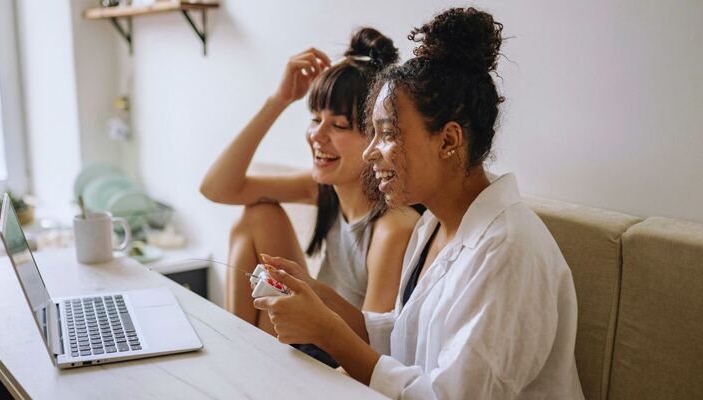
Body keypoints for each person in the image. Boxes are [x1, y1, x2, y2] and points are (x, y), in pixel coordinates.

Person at [253, 7, 585, 399]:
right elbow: (399, 336)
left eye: (387, 133)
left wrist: (328, 334)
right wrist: (314, 293)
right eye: (371, 134)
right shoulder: (433, 225)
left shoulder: (508, 252)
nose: (371, 153)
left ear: (449, 141)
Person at [200, 28, 420, 365]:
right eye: (316, 118)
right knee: (258, 216)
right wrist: (279, 100)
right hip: (308, 336)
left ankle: (238, 360)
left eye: (339, 125)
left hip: (340, 353)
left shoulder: (393, 225)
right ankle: (235, 355)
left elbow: (373, 346)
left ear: (376, 137)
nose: (317, 134)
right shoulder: (322, 189)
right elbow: (216, 188)